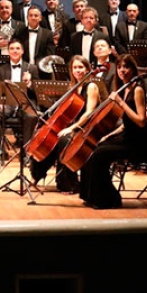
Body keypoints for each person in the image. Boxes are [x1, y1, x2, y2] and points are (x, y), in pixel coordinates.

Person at [79, 54, 147, 209]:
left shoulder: (137, 90)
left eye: (126, 67)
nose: (122, 70)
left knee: (99, 155)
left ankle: (108, 199)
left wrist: (120, 103)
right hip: (125, 136)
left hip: (137, 142)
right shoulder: (123, 89)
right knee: (92, 149)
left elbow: (141, 121)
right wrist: (108, 135)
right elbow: (125, 124)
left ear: (133, 69)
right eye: (120, 67)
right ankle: (90, 195)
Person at [30, 55, 100, 193]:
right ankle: (37, 175)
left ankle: (69, 184)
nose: (78, 70)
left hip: (85, 127)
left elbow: (89, 113)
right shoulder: (73, 86)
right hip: (73, 125)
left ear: (87, 69)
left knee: (62, 140)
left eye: (81, 67)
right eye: (75, 67)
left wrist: (71, 128)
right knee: (47, 137)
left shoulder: (91, 86)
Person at [0, 39, 38, 163]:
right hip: (7, 103)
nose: (15, 51)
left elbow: (37, 92)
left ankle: (26, 153)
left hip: (25, 103)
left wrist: (30, 83)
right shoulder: (1, 69)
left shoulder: (32, 68)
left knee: (31, 116)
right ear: (8, 51)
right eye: (12, 49)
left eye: (17, 48)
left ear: (22, 51)